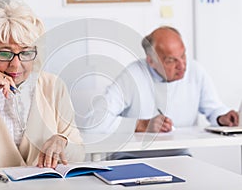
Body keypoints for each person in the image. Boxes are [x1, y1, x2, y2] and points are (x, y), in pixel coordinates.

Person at [0, 0, 85, 170]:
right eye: (5, 53)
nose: (16, 65)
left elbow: (78, 155)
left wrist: (63, 142)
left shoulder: (53, 86)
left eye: (26, 52)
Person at [83, 26, 238, 158]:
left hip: (179, 158)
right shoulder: (133, 75)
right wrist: (140, 125)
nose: (182, 65)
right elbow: (93, 121)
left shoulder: (195, 71)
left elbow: (214, 108)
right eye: (171, 60)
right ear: (151, 60)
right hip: (131, 159)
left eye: (183, 55)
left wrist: (222, 117)